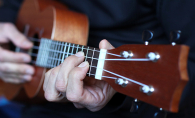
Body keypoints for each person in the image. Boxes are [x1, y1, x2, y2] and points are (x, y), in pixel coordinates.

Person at [0, 0, 195, 118]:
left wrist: (119, 96)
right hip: (39, 105)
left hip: (130, 107)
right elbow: (14, 6)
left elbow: (190, 67)